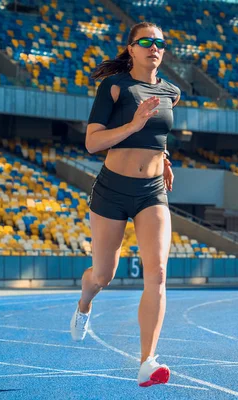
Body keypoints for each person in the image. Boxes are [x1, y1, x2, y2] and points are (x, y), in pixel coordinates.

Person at [69, 21, 180, 388]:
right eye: (146, 41)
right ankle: (84, 304)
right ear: (131, 48)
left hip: (152, 192)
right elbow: (92, 143)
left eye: (160, 42)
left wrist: (163, 158)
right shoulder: (114, 87)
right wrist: (133, 125)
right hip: (112, 190)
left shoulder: (171, 92)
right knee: (102, 275)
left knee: (159, 274)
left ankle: (148, 361)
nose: (154, 47)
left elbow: (158, 135)